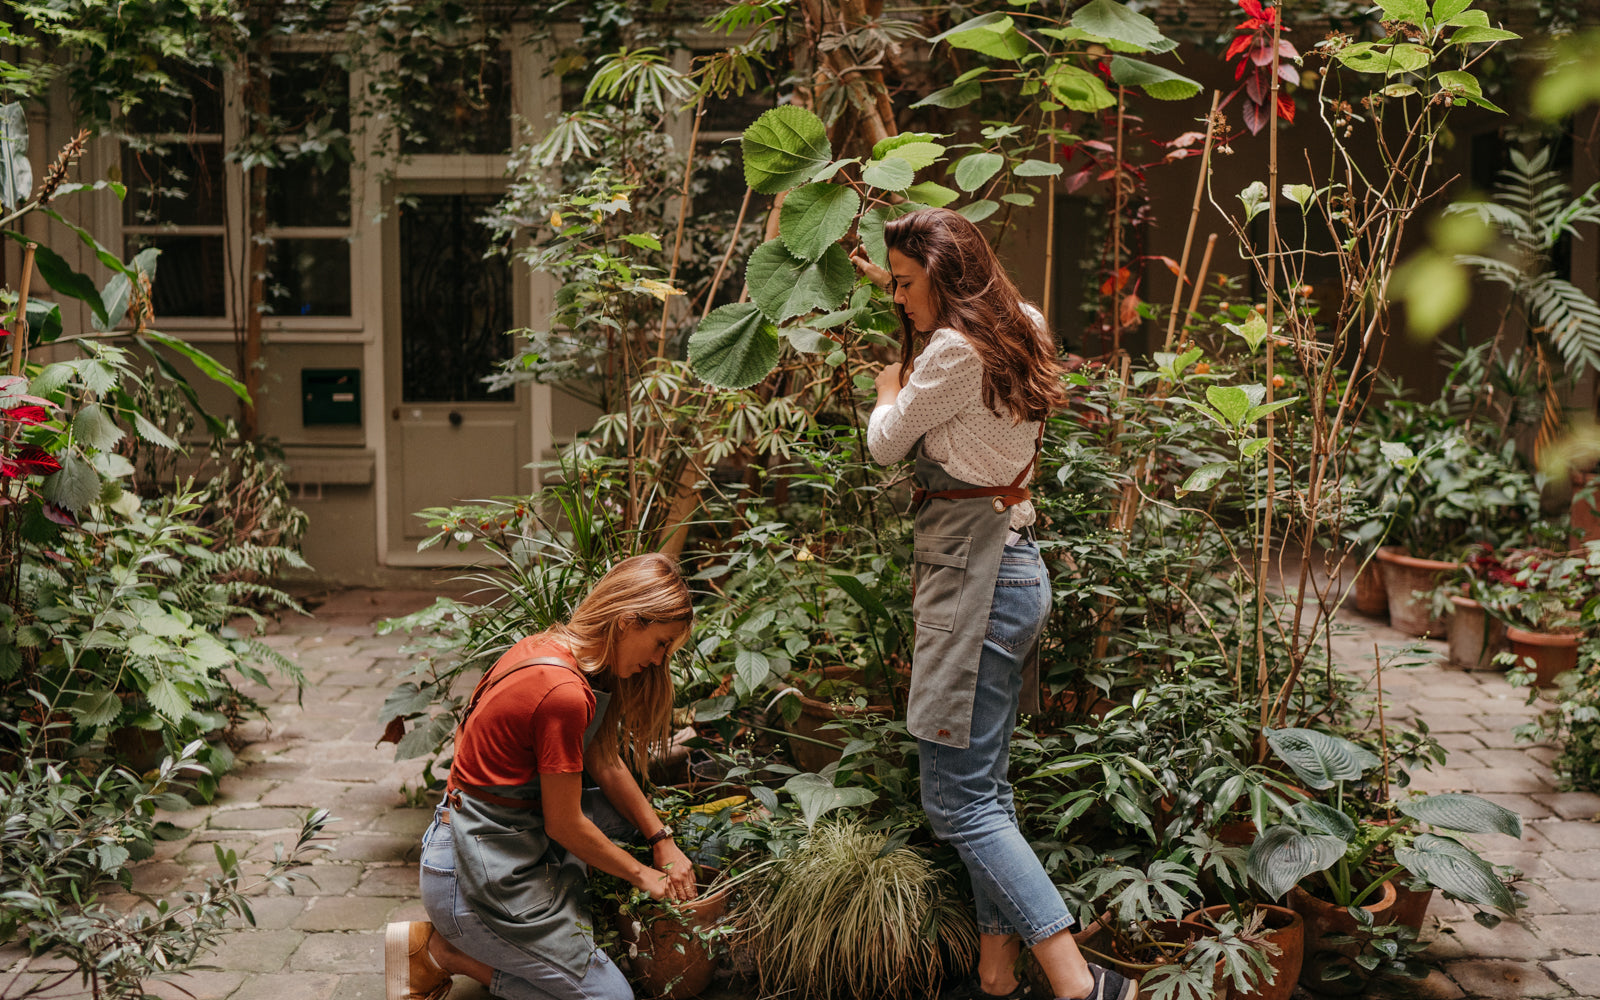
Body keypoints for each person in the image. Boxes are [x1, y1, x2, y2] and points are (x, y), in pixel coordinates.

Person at [852, 207, 1138, 1000]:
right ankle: (996, 974)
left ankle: (1078, 982)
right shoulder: (1026, 323)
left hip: (974, 586)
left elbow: (884, 443)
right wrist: (889, 284)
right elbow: (947, 322)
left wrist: (886, 386)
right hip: (1015, 568)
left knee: (955, 802)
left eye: (907, 284)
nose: (899, 298)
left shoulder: (945, 354)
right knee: (988, 789)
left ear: (943, 278)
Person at [385, 553, 697, 1000]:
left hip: (485, 830)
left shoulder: (551, 648)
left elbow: (605, 761)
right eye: (662, 643)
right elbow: (564, 824)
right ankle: (444, 953)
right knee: (612, 998)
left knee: (627, 817)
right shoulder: (564, 693)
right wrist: (643, 876)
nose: (658, 659)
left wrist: (661, 840)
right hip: (465, 874)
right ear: (628, 621)